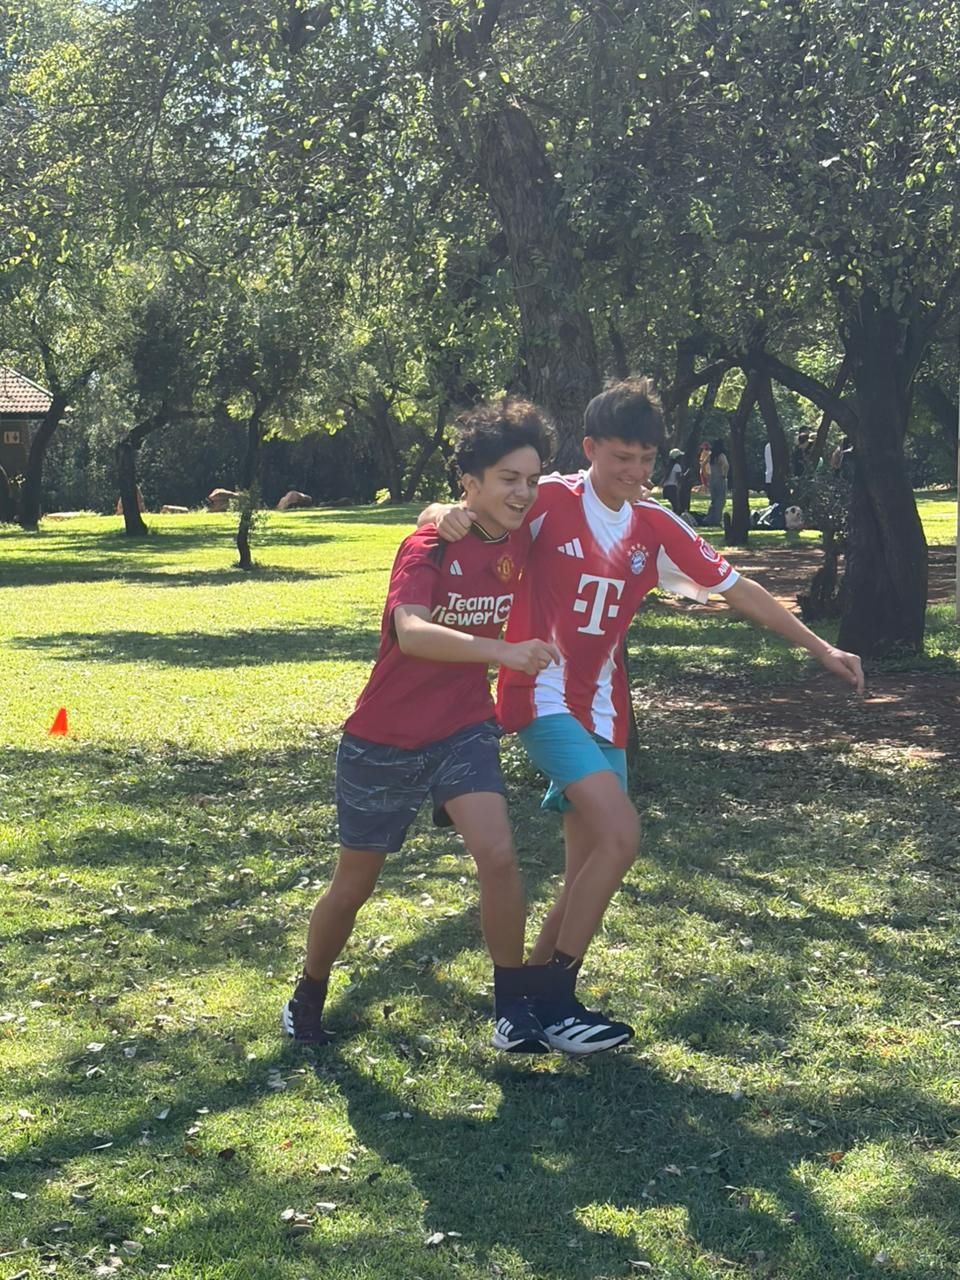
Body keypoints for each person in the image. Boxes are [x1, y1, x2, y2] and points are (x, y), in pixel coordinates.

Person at [422, 378, 864, 1055]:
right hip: (539, 696)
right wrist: (435, 512)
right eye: (620, 457)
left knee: (588, 864)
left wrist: (820, 647)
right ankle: (560, 1001)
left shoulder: (655, 524)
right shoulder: (551, 500)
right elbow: (476, 511)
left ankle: (528, 1007)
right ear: (590, 448)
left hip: (605, 710)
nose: (633, 471)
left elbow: (738, 589)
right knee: (622, 834)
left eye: (646, 459)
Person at [282, 399, 560, 1053]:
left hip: (464, 727)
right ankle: (308, 993)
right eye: (508, 479)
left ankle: (512, 1009)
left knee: (498, 855)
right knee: (354, 885)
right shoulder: (429, 544)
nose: (523, 493)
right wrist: (501, 650)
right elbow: (411, 633)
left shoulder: (524, 531)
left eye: (531, 479)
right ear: (469, 482)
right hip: (383, 739)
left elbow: (585, 492)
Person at [705, 437, 729, 526]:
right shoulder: (721, 455)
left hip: (712, 479)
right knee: (720, 500)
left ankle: (709, 519)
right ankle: (717, 520)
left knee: (713, 500)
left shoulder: (711, 456)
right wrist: (724, 474)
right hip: (720, 479)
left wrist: (707, 475)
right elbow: (726, 465)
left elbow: (703, 464)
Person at [661, 448, 684, 515]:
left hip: (666, 488)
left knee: (667, 507)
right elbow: (678, 479)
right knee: (675, 507)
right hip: (672, 488)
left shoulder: (669, 466)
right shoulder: (677, 466)